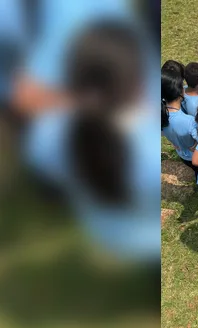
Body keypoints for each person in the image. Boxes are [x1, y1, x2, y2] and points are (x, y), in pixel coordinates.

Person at [24, 20, 161, 264]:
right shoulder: (149, 151)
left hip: (98, 232)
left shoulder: (45, 134)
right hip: (145, 245)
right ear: (138, 84)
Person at [161, 71, 198, 201]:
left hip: (182, 155)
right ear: (180, 93)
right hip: (195, 155)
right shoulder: (188, 121)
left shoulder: (160, 115)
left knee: (196, 172)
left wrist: (174, 142)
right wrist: (196, 145)